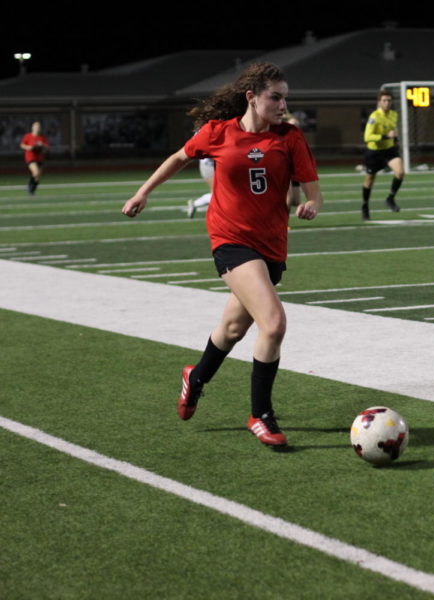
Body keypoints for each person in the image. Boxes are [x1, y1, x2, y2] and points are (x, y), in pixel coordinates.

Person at [121, 63, 323, 448]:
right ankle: (260, 414)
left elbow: (314, 190)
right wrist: (143, 192)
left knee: (232, 330)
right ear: (252, 97)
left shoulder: (290, 138)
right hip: (230, 241)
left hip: (272, 246)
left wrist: (311, 203)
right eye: (275, 97)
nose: (283, 104)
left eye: (285, 97)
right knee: (274, 323)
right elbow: (179, 157)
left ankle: (195, 377)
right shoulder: (218, 132)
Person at [361, 90, 404, 221]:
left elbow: (393, 129)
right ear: (379, 102)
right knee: (370, 180)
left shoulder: (394, 115)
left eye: (389, 100)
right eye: (384, 100)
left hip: (389, 150)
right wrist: (386, 136)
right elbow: (367, 137)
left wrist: (396, 141)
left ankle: (390, 198)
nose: (387, 103)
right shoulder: (374, 116)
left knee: (400, 172)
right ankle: (365, 206)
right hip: (374, 152)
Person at [20, 121, 49, 196]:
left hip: (39, 158)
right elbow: (22, 145)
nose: (37, 128)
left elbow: (47, 148)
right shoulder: (28, 136)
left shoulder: (42, 137)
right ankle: (29, 186)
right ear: (32, 128)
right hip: (30, 157)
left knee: (38, 176)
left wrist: (42, 145)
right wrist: (29, 147)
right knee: (35, 172)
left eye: (39, 127)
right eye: (36, 127)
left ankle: (32, 191)